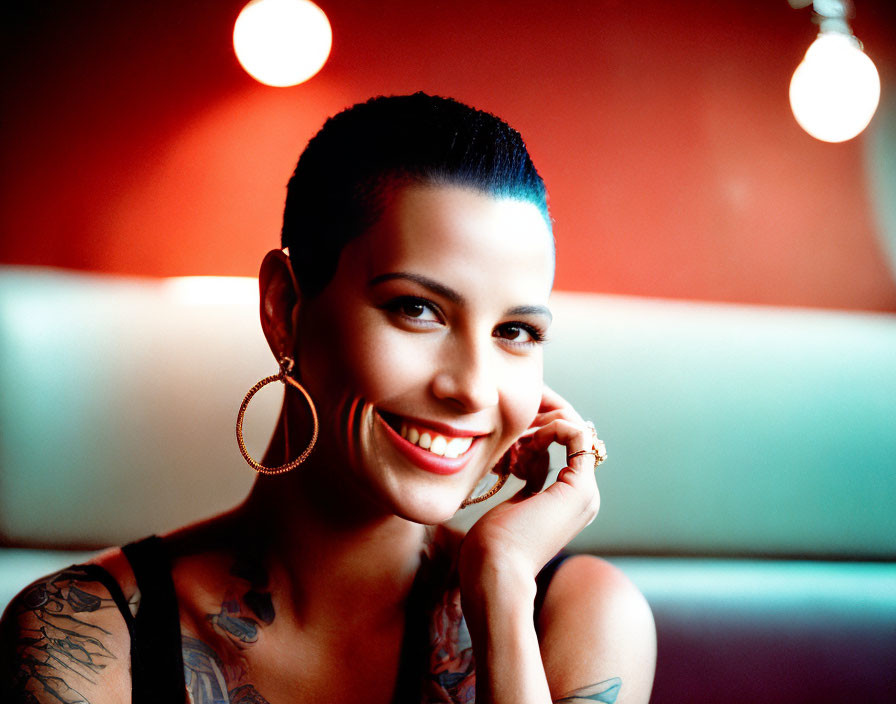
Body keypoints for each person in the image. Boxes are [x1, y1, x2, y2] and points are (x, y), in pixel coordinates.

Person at [0, 92, 656, 703]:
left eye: (516, 331)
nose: (473, 388)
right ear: (285, 306)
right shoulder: (84, 635)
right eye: (418, 309)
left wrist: (503, 584)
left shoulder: (575, 613)